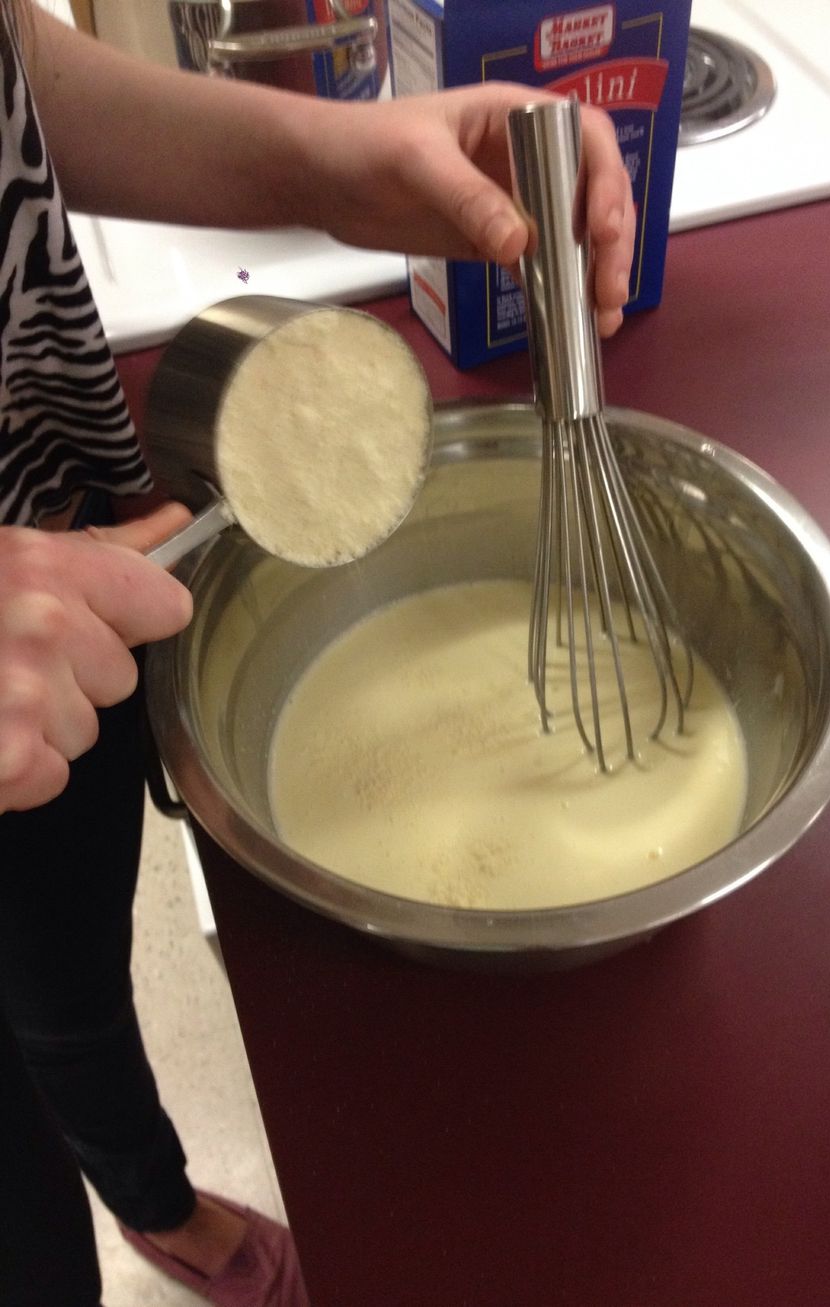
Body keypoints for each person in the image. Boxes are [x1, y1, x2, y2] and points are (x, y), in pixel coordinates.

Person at [0, 2, 635, 1304]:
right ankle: (135, 1199)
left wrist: (331, 163)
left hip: (55, 564)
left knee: (63, 958)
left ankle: (143, 1188)